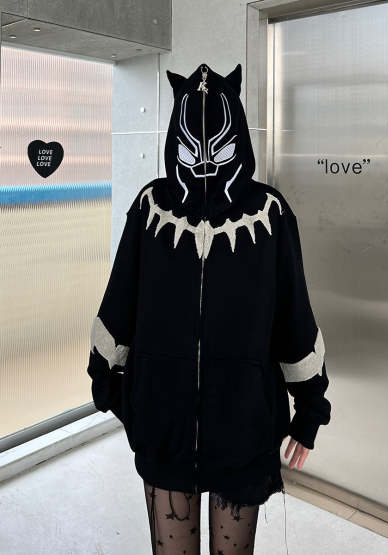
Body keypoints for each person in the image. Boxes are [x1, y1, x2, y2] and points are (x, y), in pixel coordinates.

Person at [87, 62, 331, 554]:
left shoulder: (268, 214)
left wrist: (310, 406)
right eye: (190, 149)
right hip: (163, 425)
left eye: (217, 149)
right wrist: (113, 385)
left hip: (244, 427)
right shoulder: (151, 209)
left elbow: (294, 317)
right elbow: (121, 300)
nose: (203, 163)